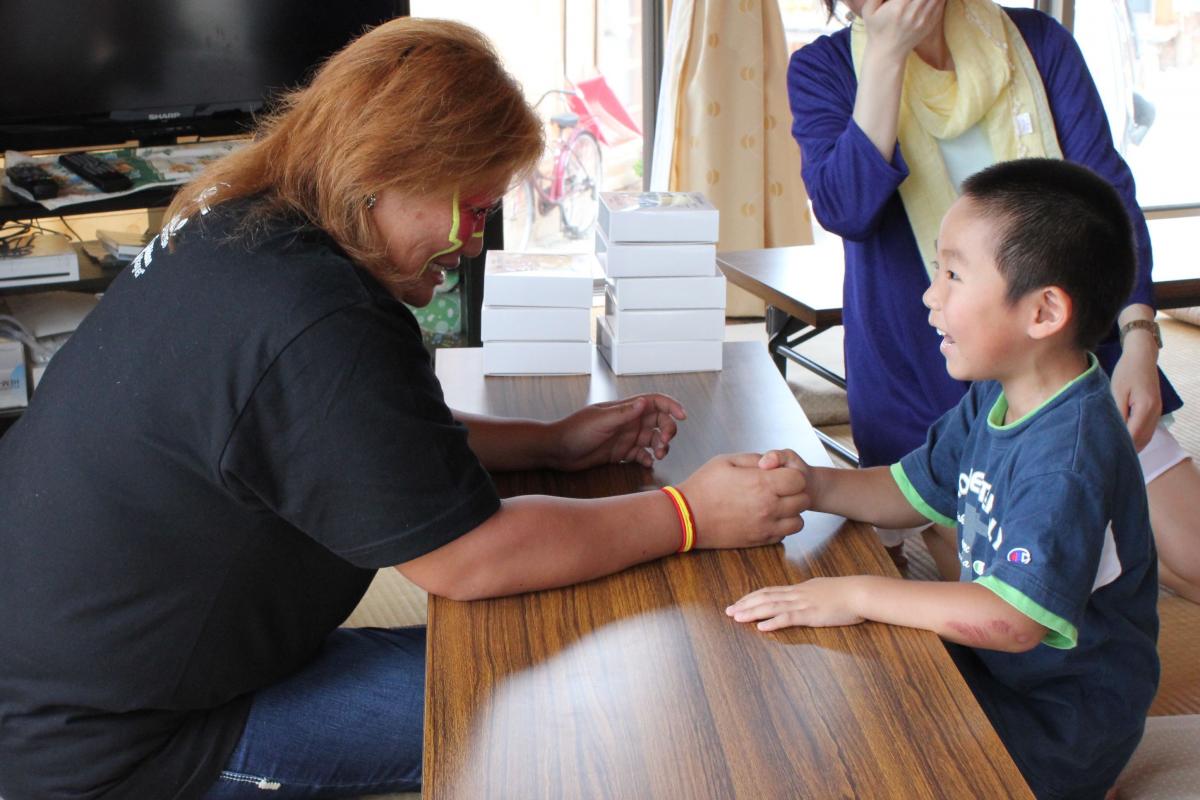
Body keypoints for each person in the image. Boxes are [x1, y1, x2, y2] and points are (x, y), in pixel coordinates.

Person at [0, 19, 811, 800]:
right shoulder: (318, 316)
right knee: (580, 705)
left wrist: (551, 444)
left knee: (570, 641)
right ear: (384, 171)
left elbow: (346, 434)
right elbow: (467, 561)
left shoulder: (242, 225)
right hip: (118, 744)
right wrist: (688, 513)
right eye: (476, 210)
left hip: (73, 672)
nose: (469, 245)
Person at [729, 158, 1159, 800]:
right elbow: (909, 489)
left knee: (840, 747)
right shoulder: (1000, 393)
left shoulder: (1068, 457)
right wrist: (814, 486)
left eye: (953, 274)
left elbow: (1014, 621)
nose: (931, 296)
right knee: (816, 698)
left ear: (1043, 312)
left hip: (1057, 729)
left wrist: (859, 593)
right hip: (996, 673)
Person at [790, 0, 1200, 601]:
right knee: (1009, 597)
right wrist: (884, 54)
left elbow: (1106, 201)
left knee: (1188, 559)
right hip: (925, 374)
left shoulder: (1035, 41)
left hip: (1067, 361)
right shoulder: (825, 69)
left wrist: (1140, 338)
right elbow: (847, 208)